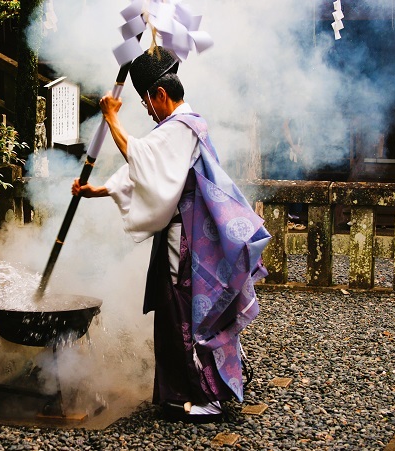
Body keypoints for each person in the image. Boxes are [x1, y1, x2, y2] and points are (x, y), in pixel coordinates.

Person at [72, 47, 270, 422]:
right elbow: (152, 172)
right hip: (185, 234)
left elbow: (143, 159)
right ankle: (184, 391)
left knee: (186, 311)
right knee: (175, 310)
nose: (146, 109)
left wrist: (112, 119)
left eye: (146, 102)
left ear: (161, 95)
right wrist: (99, 190)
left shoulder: (183, 127)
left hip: (188, 239)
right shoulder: (178, 128)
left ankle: (206, 395)